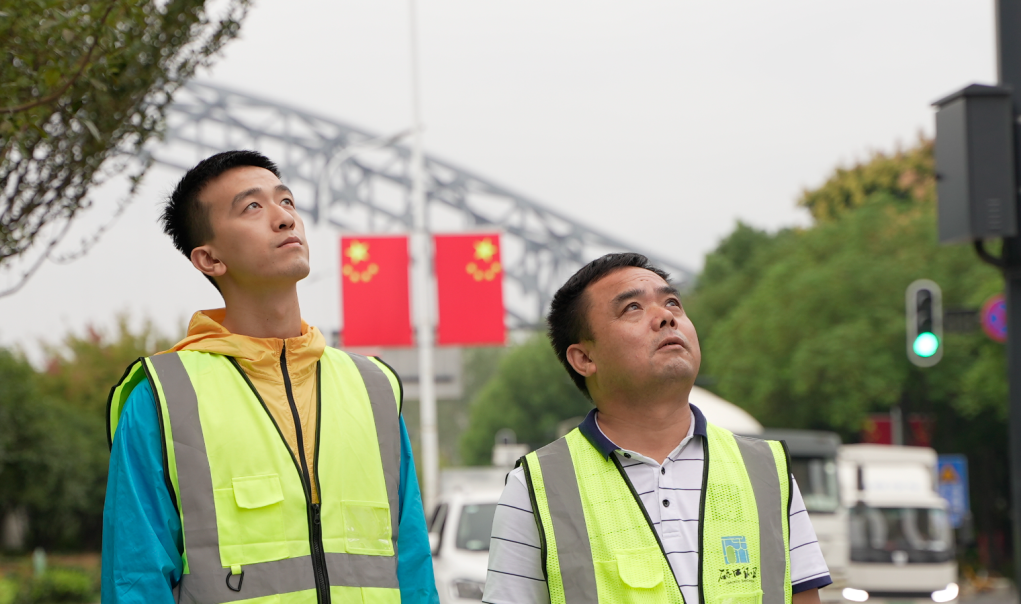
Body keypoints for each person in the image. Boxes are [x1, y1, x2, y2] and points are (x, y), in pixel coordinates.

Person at [101, 150, 437, 603]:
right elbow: (135, 580)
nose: (284, 218)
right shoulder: (161, 398)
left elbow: (413, 569)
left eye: (287, 201)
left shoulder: (373, 388)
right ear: (209, 258)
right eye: (253, 207)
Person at [483, 253, 831, 604]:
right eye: (632, 308)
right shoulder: (537, 488)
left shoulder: (767, 470)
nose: (666, 316)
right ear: (584, 358)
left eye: (672, 303)